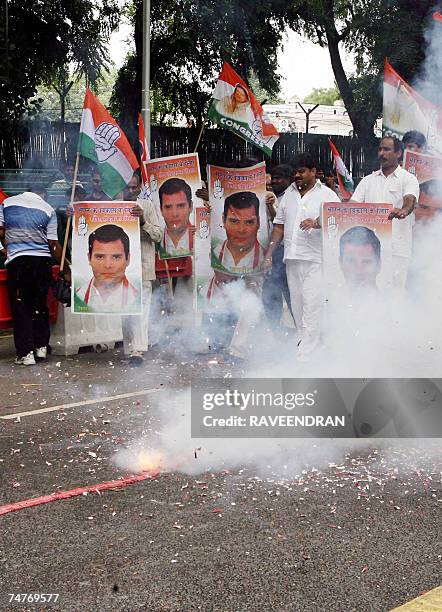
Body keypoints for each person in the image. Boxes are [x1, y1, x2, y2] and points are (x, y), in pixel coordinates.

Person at [263, 152, 340, 360]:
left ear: (313, 172)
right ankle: (309, 349)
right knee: (297, 309)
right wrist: (269, 254)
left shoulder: (328, 195)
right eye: (295, 172)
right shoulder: (289, 195)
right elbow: (278, 227)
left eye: (301, 171)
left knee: (312, 307)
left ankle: (305, 358)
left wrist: (317, 222)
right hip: (292, 259)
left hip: (316, 259)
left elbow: (338, 221)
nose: (297, 175)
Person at [0, 186, 68, 365]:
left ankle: (25, 353)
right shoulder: (48, 208)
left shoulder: (6, 204)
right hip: (42, 263)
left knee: (21, 306)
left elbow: (0, 230)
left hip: (18, 262)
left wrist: (5, 249)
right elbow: (53, 244)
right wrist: (67, 267)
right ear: (43, 194)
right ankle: (41, 347)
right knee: (40, 305)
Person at [351, 136, 419, 290]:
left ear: (398, 153)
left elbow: (410, 200)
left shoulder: (408, 179)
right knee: (370, 297)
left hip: (397, 250)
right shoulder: (368, 180)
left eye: (387, 149)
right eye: (380, 149)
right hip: (370, 253)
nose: (382, 153)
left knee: (394, 299)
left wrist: (404, 210)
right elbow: (351, 207)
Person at [123, 189, 162, 366]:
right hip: (120, 270)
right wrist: (74, 213)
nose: (130, 191)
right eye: (126, 187)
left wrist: (143, 221)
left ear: (139, 187)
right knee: (124, 310)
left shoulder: (147, 206)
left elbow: (158, 235)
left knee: (141, 309)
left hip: (143, 268)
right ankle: (130, 349)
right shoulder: (112, 206)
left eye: (133, 187)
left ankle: (138, 350)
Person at [74, 224, 140, 313]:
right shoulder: (78, 296)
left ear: (128, 259)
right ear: (89, 258)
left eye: (116, 257)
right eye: (100, 257)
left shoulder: (137, 298)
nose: (108, 265)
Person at [262, 164, 293, 327]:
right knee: (270, 293)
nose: (274, 182)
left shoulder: (291, 198)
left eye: (278, 178)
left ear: (289, 179)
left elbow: (280, 225)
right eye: (272, 179)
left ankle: (299, 334)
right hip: (270, 253)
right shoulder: (270, 196)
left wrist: (270, 206)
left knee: (289, 293)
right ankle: (274, 331)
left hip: (283, 254)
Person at [211, 191, 265, 279]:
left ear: (258, 222)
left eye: (249, 222)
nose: (241, 230)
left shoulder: (266, 258)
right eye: (234, 221)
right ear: (223, 220)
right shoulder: (213, 254)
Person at [158, 177, 193, 258]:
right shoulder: (154, 243)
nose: (174, 214)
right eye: (168, 207)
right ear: (161, 210)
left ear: (190, 206)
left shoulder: (202, 241)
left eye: (180, 206)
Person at [339, 226, 381, 290]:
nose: (359, 271)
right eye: (351, 261)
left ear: (378, 264)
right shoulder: (326, 298)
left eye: (366, 262)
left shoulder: (396, 297)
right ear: (341, 263)